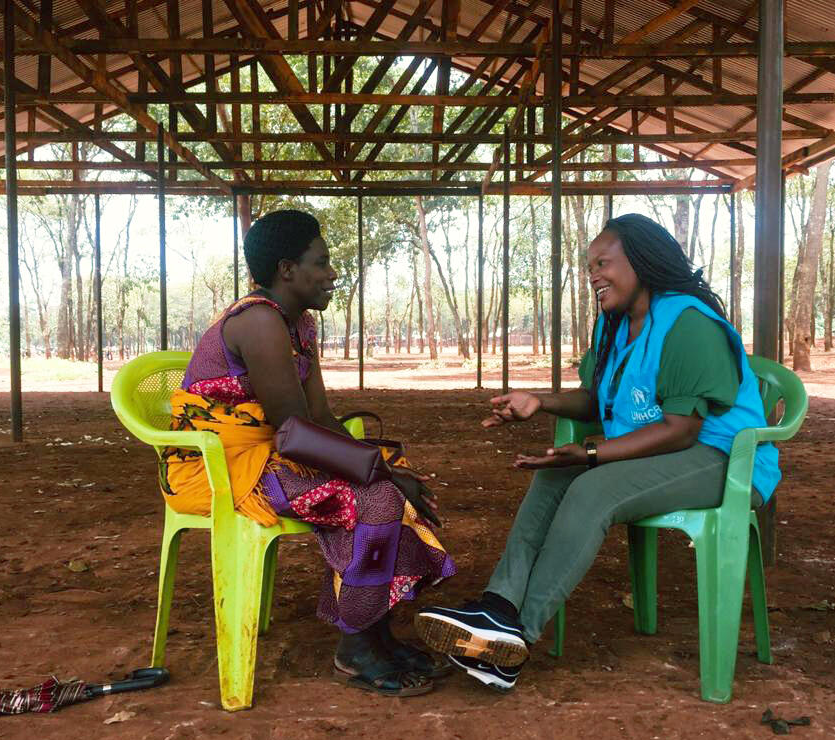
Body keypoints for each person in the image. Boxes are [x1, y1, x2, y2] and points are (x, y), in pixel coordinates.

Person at [414, 213, 780, 693]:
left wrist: (592, 455)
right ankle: (497, 608)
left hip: (724, 459)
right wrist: (539, 402)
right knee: (553, 477)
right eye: (589, 267)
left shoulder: (688, 322)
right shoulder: (615, 325)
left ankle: (517, 637)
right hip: (663, 450)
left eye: (603, 263)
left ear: (642, 261)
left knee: (594, 488)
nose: (593, 276)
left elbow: (681, 431)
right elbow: (598, 400)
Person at [161, 209, 456, 697]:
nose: (332, 273)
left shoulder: (299, 326)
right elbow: (295, 432)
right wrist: (378, 473)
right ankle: (356, 646)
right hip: (221, 469)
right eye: (321, 262)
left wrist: (382, 464)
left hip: (269, 454)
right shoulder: (259, 321)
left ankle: (376, 632)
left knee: (390, 482)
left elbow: (319, 418)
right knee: (376, 497)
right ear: (287, 270)